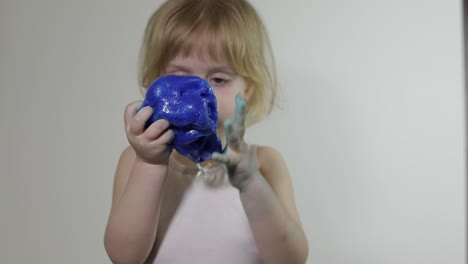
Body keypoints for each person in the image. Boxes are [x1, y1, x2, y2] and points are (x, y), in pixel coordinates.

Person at [104, 0, 309, 263]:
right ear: (155, 81)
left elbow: (291, 259)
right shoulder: (135, 162)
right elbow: (123, 257)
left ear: (248, 89)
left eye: (219, 79)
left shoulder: (266, 164)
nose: (200, 97)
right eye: (180, 77)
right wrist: (150, 164)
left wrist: (250, 183)